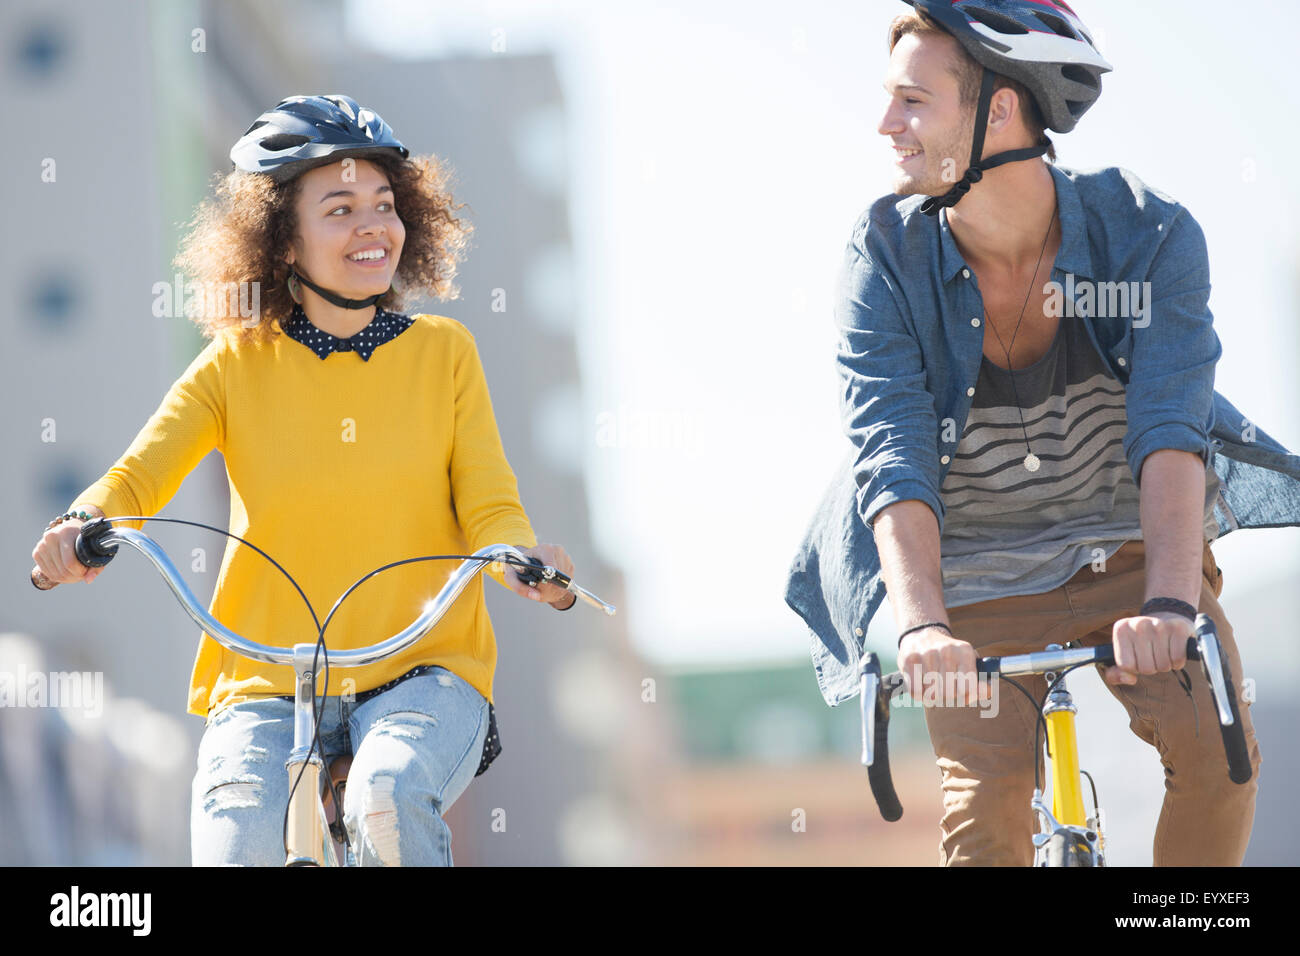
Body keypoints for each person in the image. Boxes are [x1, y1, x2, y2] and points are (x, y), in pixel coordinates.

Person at [785, 1, 1300, 865]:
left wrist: (1172, 601)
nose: (885, 124)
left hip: (1131, 561)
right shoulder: (883, 258)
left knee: (1221, 765)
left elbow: (1172, 429)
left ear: (999, 108)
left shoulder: (1147, 234)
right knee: (983, 828)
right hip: (972, 589)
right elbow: (892, 452)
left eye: (913, 100)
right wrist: (919, 627)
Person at [30, 94, 577, 866]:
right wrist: (81, 528)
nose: (373, 227)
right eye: (341, 208)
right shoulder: (234, 363)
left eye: (385, 205)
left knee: (386, 794)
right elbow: (139, 474)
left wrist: (518, 557)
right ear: (281, 241)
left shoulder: (445, 353)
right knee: (234, 842)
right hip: (264, 681)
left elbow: (488, 497)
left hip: (424, 672)